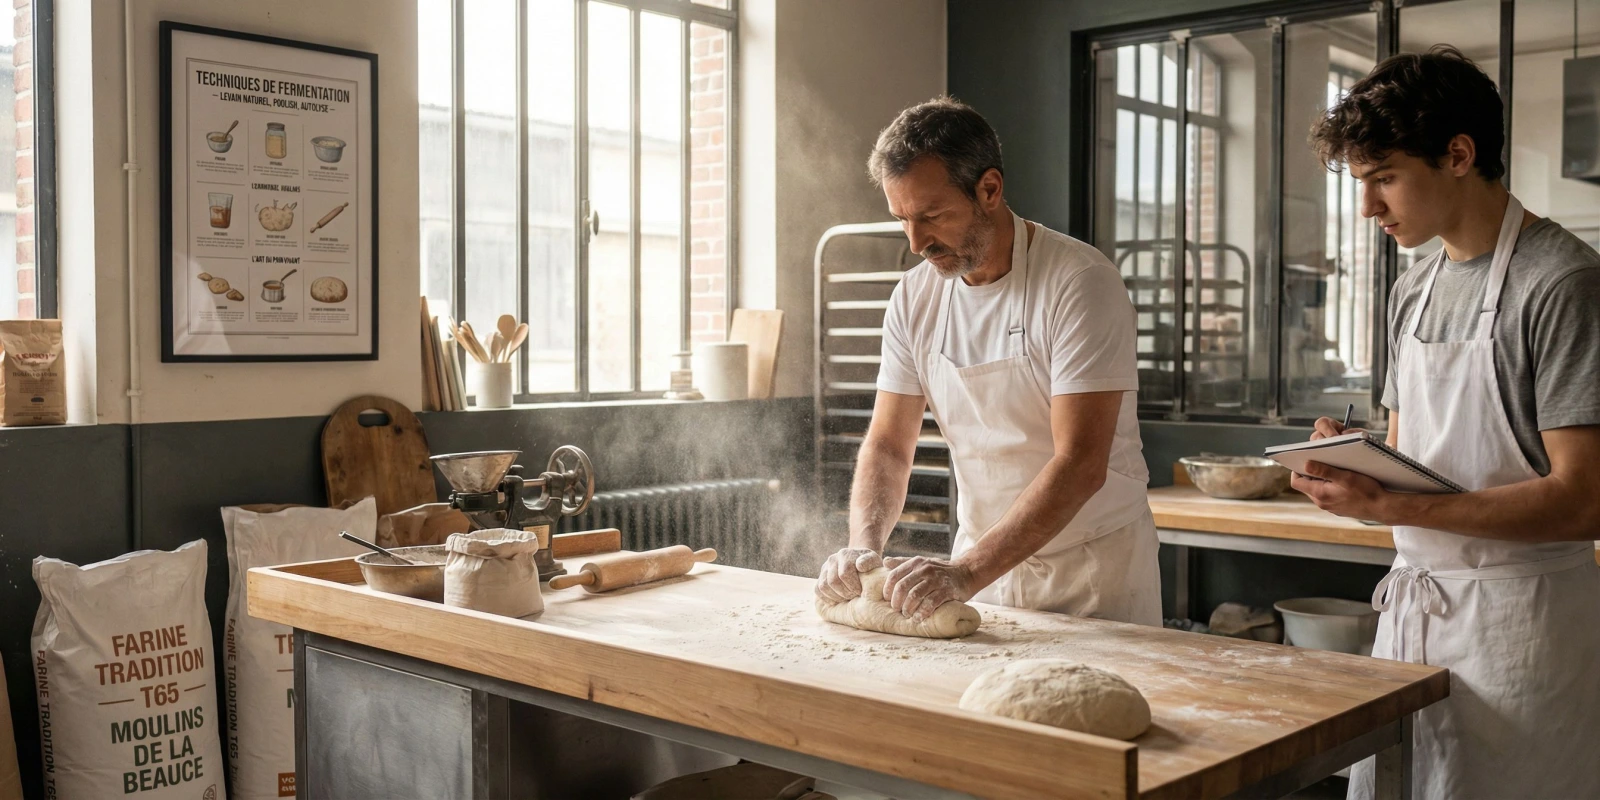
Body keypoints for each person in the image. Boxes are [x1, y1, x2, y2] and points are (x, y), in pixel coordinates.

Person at [1302, 47, 1600, 799]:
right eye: (1360, 183)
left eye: (1384, 178)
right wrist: (1353, 461)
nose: (1367, 207)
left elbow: (1585, 500)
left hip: (1522, 632)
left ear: (1459, 155)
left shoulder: (1562, 283)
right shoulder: (1415, 290)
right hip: (1416, 617)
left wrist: (1389, 505)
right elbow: (1413, 456)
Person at [813, 97, 1160, 626]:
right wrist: (864, 548)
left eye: (932, 216)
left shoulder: (1078, 283)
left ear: (989, 190)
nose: (916, 243)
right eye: (902, 219)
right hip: (978, 568)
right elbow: (888, 443)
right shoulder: (914, 297)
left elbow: (1080, 464)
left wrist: (965, 573)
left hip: (1089, 575)